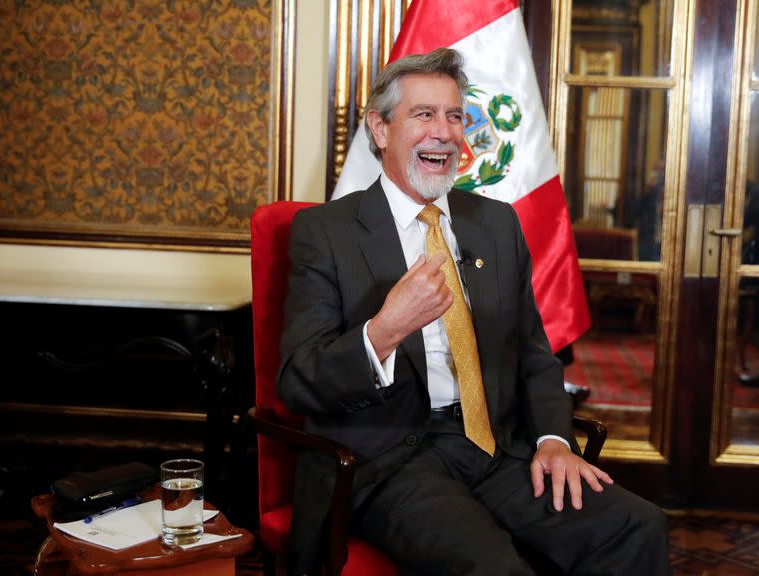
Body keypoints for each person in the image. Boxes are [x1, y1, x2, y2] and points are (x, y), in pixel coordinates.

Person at [278, 47, 670, 576]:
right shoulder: (325, 233)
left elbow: (534, 352)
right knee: (494, 568)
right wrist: (385, 330)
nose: (444, 132)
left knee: (635, 525)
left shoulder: (496, 224)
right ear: (380, 129)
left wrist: (554, 440)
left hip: (496, 446)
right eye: (424, 115)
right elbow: (299, 380)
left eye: (455, 115)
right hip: (392, 462)